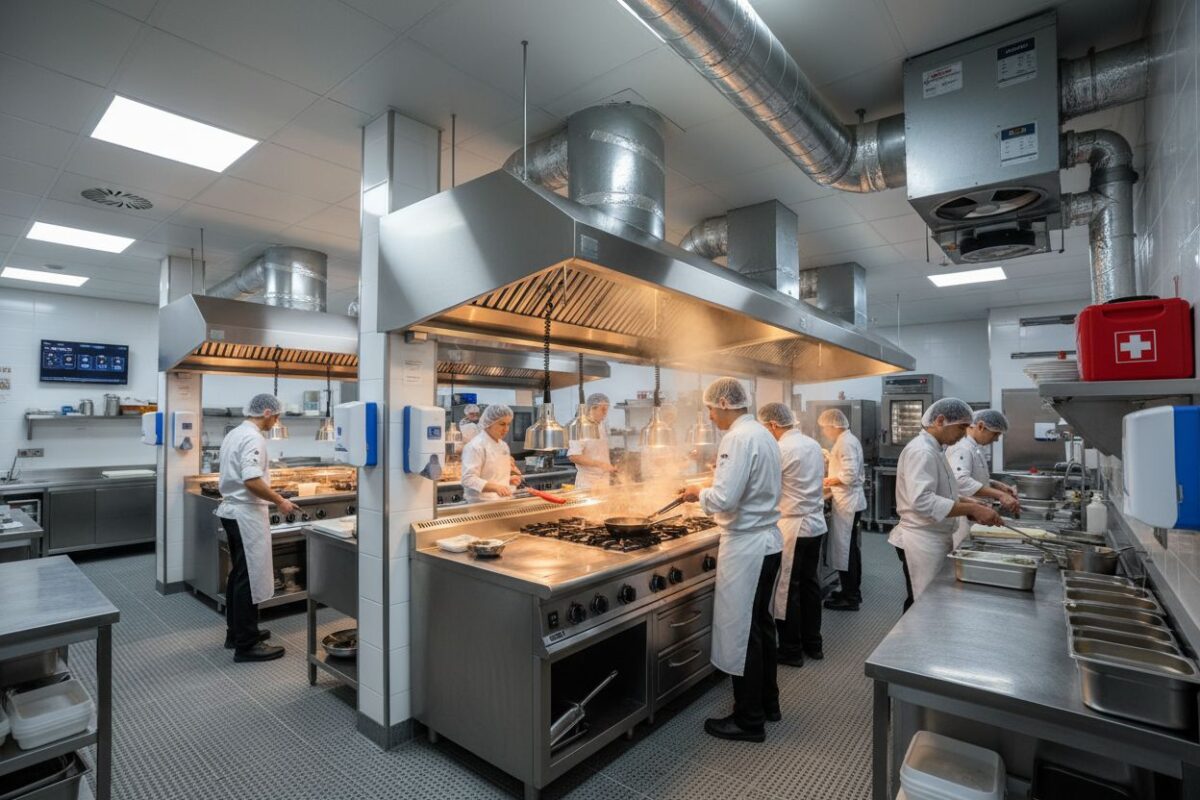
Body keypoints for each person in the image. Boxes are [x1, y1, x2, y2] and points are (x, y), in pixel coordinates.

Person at [679, 378, 782, 743]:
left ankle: (749, 720)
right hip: (767, 543)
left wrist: (698, 492)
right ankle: (768, 703)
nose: (709, 416)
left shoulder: (737, 438)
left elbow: (723, 499)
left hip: (747, 546)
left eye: (710, 408)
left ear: (724, 402)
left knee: (742, 632)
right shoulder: (763, 434)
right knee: (761, 626)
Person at [889, 397, 1002, 605]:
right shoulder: (921, 451)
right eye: (961, 427)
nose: (964, 434)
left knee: (931, 601)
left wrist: (968, 504)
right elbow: (922, 501)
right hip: (921, 539)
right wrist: (971, 509)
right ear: (940, 421)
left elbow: (942, 491)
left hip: (935, 535)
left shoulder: (935, 449)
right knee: (922, 604)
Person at [215, 394, 297, 662]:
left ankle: (237, 633)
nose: (276, 422)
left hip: (233, 511)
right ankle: (247, 644)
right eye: (277, 416)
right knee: (248, 577)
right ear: (267, 412)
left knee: (239, 574)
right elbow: (251, 480)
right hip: (245, 513)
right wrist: (280, 501)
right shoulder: (253, 438)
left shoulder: (235, 433)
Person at [757, 402, 827, 668]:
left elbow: (768, 489)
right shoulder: (812, 444)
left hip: (794, 527)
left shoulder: (780, 449)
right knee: (810, 586)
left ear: (773, 424)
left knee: (788, 590)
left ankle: (790, 650)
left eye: (765, 428)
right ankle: (814, 644)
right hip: (815, 525)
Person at [946, 409, 1021, 547]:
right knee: (963, 549)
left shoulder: (973, 446)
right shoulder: (963, 448)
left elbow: (972, 476)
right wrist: (1000, 495)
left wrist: (995, 484)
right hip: (963, 516)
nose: (996, 439)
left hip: (975, 513)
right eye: (995, 434)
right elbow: (960, 481)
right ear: (980, 426)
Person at [818, 409, 868, 612]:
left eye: (824, 428)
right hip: (849, 501)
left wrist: (827, 481)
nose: (824, 432)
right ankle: (850, 591)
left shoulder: (845, 443)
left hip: (848, 502)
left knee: (846, 551)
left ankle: (851, 597)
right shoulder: (847, 440)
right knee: (850, 549)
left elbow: (849, 475)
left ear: (834, 426)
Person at [460, 404, 522, 503]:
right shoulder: (475, 446)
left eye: (508, 424)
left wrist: (508, 480)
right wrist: (495, 488)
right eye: (502, 424)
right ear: (489, 423)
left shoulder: (503, 445)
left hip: (504, 502)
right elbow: (468, 479)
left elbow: (491, 476)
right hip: (481, 505)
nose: (506, 429)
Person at [567, 393, 616, 492]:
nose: (605, 413)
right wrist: (601, 464)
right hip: (587, 484)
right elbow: (574, 456)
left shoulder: (601, 425)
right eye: (603, 410)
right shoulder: (580, 427)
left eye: (606, 410)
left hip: (604, 482)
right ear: (592, 408)